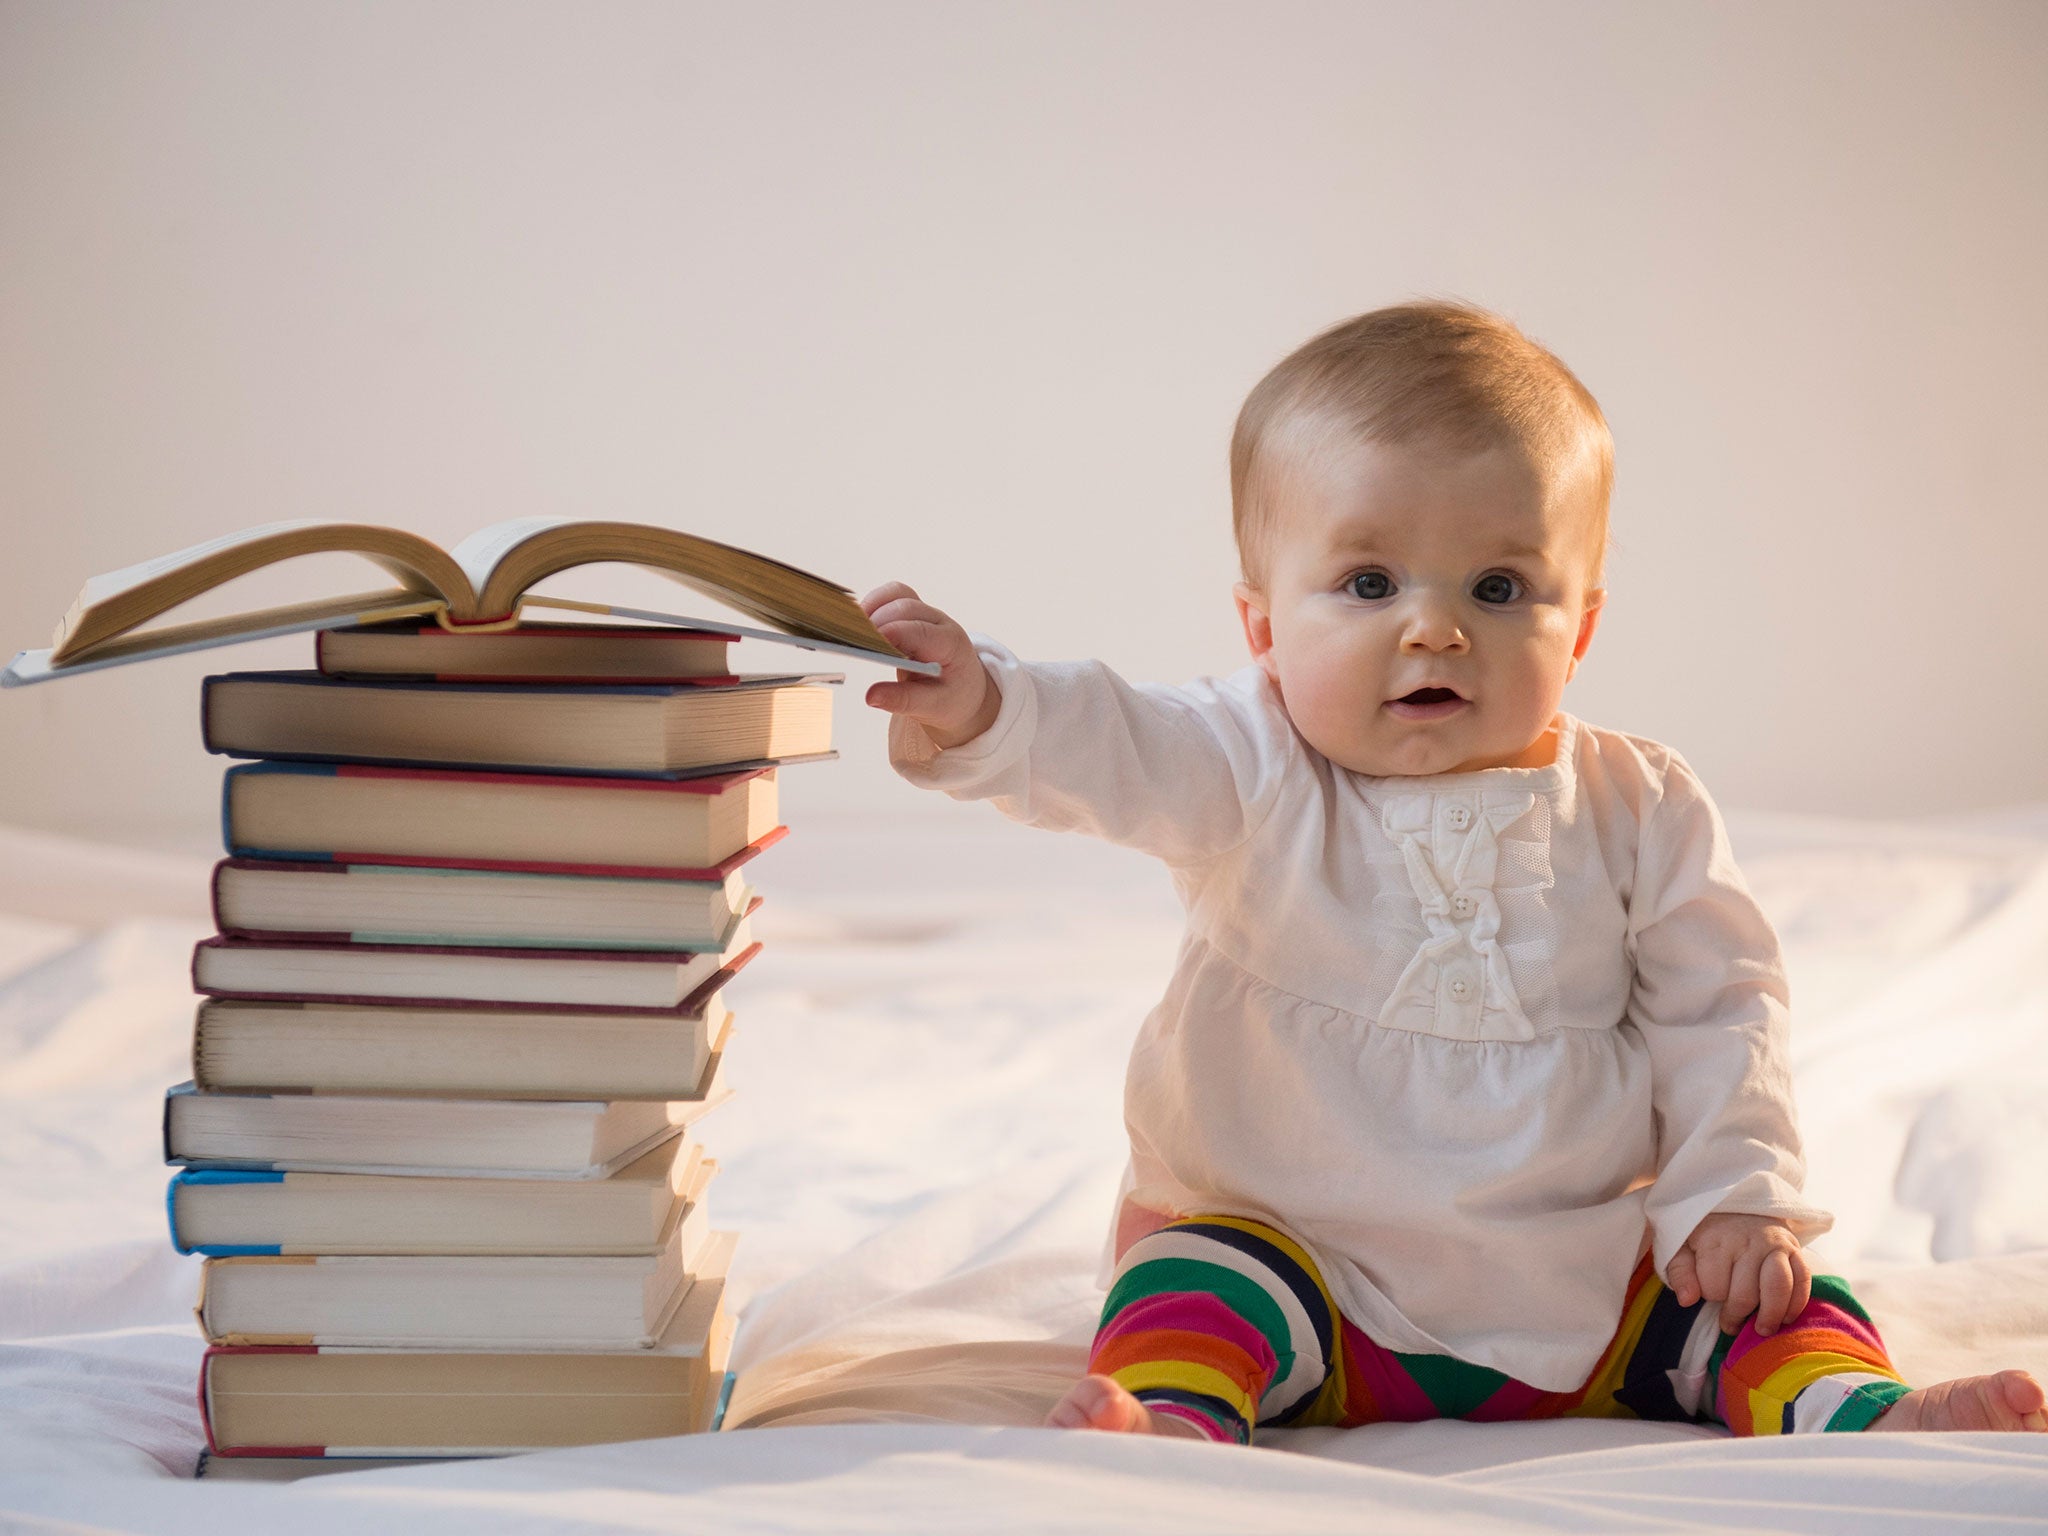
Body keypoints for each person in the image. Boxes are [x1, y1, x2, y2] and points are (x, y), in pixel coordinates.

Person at [859, 301, 2048, 1443]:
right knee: (1189, 1278)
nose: (1433, 629)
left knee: (1762, 1294)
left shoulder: (1641, 805)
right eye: (1369, 584)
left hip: (1591, 1283)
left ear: (1577, 628)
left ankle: (1862, 1406)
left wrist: (1732, 1195)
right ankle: (1173, 1416)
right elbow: (1104, 739)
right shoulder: (1246, 761)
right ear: (1263, 628)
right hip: (1309, 1269)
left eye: (1497, 587)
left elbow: (1721, 1007)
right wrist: (982, 704)